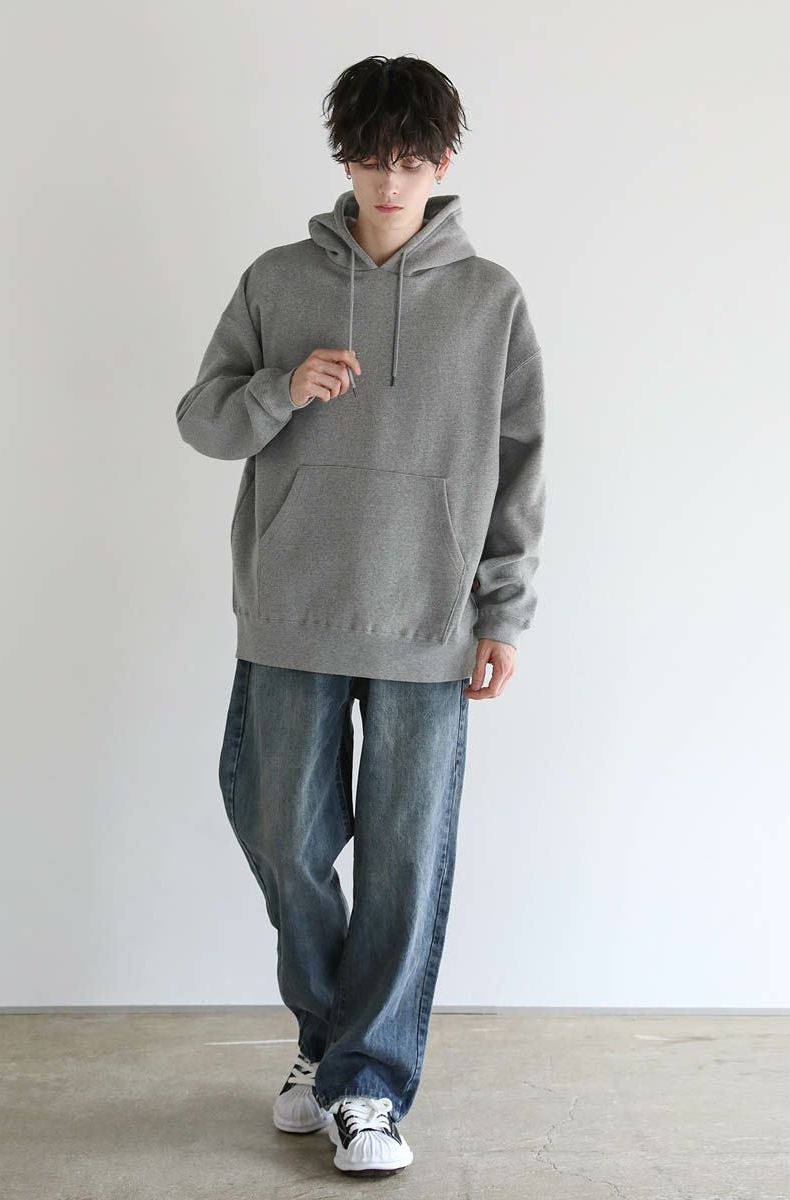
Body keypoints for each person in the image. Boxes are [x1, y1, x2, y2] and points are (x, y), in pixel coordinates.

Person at [175, 54, 546, 1177]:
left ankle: (367, 1084)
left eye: (413, 160)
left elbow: (521, 464)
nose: (392, 182)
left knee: (402, 863)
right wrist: (280, 388)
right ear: (343, 157)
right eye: (373, 158)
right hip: (293, 607)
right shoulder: (277, 280)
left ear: (444, 162)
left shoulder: (490, 301)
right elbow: (201, 420)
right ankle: (327, 1038)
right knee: (283, 837)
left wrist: (503, 612)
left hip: (429, 619)